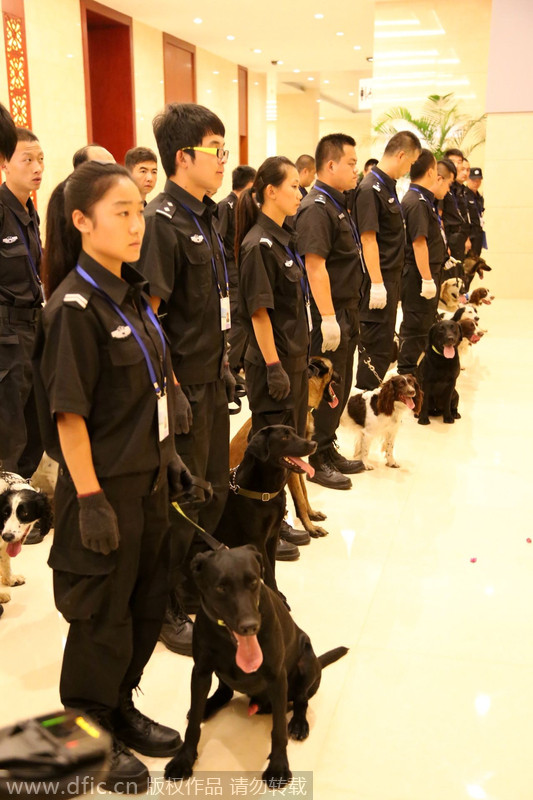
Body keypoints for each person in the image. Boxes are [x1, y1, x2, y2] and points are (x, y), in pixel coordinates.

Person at [33, 161, 190, 793]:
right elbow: (69, 416)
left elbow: (147, 395)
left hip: (146, 485)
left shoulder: (129, 292)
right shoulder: (74, 306)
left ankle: (118, 707)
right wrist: (91, 499)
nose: (135, 223)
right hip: (102, 495)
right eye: (120, 212)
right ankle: (81, 735)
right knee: (100, 620)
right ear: (81, 221)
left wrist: (170, 457)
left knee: (143, 608)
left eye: (138, 211)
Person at [138, 103, 232, 655]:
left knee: (213, 491)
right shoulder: (160, 222)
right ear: (183, 156)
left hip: (212, 377)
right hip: (183, 387)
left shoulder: (208, 215)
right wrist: (170, 389)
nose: (223, 160)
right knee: (183, 502)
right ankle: (167, 605)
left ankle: (193, 588)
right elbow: (150, 315)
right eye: (215, 150)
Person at [235, 156, 311, 552]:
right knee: (269, 452)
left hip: (293, 360)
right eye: (294, 186)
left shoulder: (283, 237)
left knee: (288, 448)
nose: (300, 193)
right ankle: (265, 524)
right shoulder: (258, 245)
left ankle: (276, 517)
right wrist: (274, 367)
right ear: (271, 191)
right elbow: (259, 313)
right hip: (273, 364)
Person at [295, 133, 365, 490]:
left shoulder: (337, 203)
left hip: (346, 309)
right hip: (330, 312)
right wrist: (327, 318)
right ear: (331, 165)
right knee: (325, 388)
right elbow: (315, 266)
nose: (356, 170)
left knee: (341, 383)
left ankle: (328, 444)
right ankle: (317, 457)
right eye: (351, 164)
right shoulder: (316, 208)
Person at [353, 131, 422, 390]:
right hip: (377, 284)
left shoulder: (388, 185)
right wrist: (377, 284)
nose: (409, 168)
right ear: (401, 154)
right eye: (411, 162)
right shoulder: (371, 188)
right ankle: (366, 405)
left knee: (383, 347)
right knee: (374, 349)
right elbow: (368, 239)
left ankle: (374, 406)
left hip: (390, 281)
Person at [0, 127, 44, 478]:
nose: (37, 167)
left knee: (36, 420)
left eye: (40, 159)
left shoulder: (30, 212)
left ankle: (23, 494)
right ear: (5, 164)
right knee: (10, 428)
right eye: (27, 159)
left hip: (33, 326)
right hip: (5, 334)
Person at [397, 152, 454, 375]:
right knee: (416, 327)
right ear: (431, 172)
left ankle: (417, 374)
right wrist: (428, 279)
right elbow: (419, 242)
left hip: (426, 273)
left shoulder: (422, 200)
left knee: (424, 326)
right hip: (419, 277)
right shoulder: (417, 201)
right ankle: (408, 374)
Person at [217, 164, 256, 384]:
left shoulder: (242, 205)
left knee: (243, 321)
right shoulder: (226, 206)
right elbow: (221, 242)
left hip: (240, 270)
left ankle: (233, 367)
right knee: (236, 321)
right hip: (230, 273)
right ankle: (228, 367)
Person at [441, 147, 471, 260]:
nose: (458, 166)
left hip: (459, 236)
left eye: (460, 162)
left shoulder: (459, 189)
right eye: (455, 162)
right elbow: (440, 215)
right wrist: (444, 244)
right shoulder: (443, 185)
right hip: (449, 235)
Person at [465, 166, 485, 256]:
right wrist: (467, 238)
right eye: (473, 180)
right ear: (468, 180)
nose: (476, 183)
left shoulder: (479, 197)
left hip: (478, 234)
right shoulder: (464, 195)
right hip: (469, 234)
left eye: (478, 180)